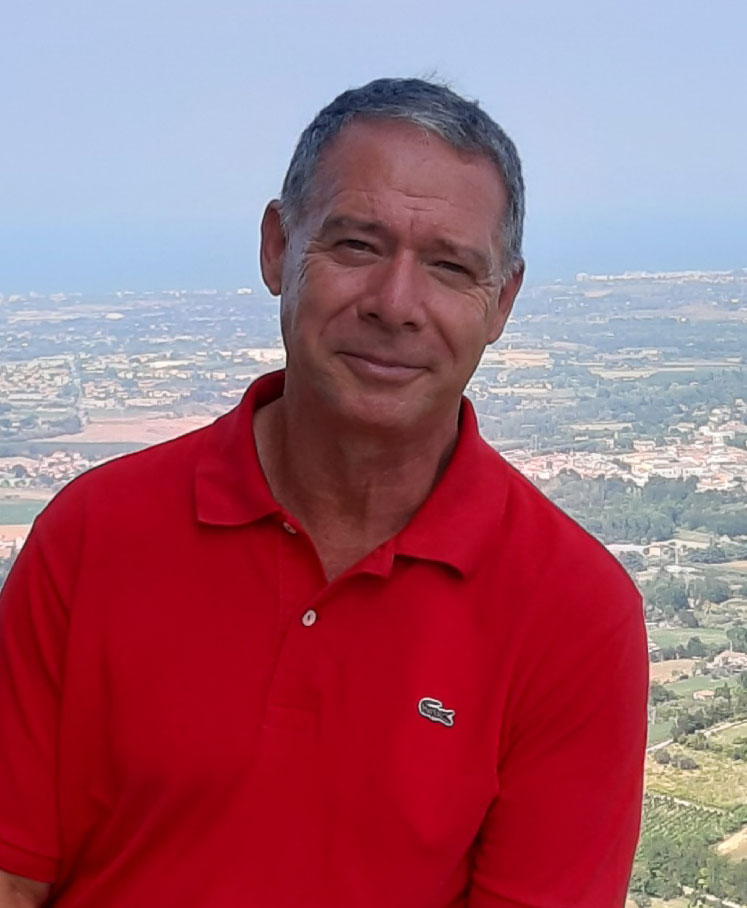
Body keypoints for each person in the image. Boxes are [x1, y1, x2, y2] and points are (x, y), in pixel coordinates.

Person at [0, 78, 648, 907]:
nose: (396, 304)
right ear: (277, 248)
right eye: (356, 246)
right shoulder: (97, 533)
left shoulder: (573, 612)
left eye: (449, 266)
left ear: (501, 303)